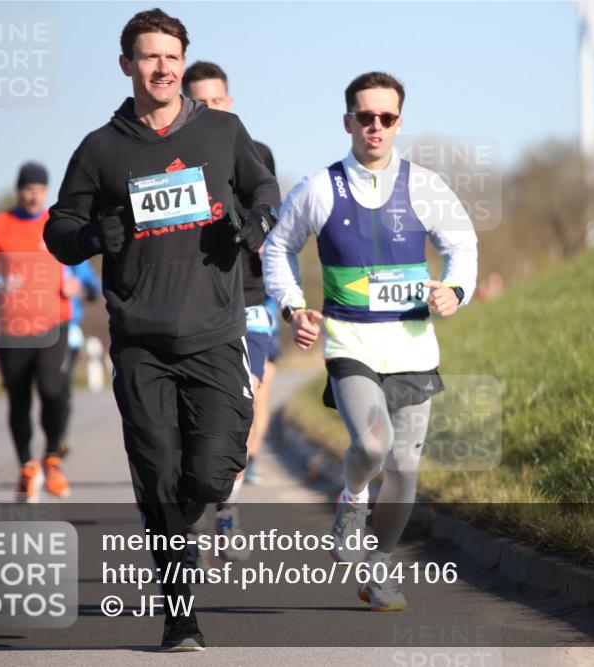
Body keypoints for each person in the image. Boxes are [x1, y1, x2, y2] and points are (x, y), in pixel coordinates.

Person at [43, 9, 279, 651]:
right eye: (149, 56)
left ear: (183, 61)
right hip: (141, 342)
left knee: (207, 479)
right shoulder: (101, 148)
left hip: (214, 335)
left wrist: (253, 226)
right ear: (127, 66)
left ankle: (197, 508)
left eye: (172, 56)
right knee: (157, 476)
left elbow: (266, 193)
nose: (163, 67)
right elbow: (58, 232)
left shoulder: (224, 132)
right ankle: (181, 614)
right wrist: (95, 235)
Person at [263, 72, 477, 611]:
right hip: (350, 342)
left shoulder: (424, 186)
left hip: (412, 347)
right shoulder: (319, 188)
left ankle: (379, 571)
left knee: (405, 467)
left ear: (399, 122)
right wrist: (293, 308)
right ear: (348, 122)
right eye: (365, 116)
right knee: (374, 446)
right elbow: (276, 249)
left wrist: (455, 290)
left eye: (386, 118)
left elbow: (463, 246)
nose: (374, 127)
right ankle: (352, 498)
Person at [181, 62, 277, 562]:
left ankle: (228, 498)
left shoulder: (254, 153)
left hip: (252, 295)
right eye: (201, 102)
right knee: (197, 417)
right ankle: (200, 498)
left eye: (218, 101)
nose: (211, 110)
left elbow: (271, 209)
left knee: (250, 396)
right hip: (195, 298)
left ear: (230, 102)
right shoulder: (172, 157)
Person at [0, 162, 77, 502]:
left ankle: (52, 459)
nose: (34, 196)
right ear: (19, 191)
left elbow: (81, 270)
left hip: (53, 324)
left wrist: (82, 286)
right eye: (28, 189)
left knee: (53, 389)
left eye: (40, 190)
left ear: (47, 192)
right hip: (13, 328)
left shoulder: (56, 224)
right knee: (18, 399)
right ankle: (27, 466)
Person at [57, 260, 101, 459]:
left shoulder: (65, 254)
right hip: (28, 330)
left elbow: (94, 289)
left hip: (66, 329)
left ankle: (60, 437)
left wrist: (80, 288)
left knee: (59, 384)